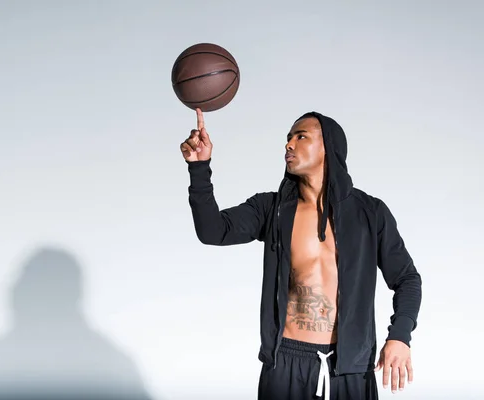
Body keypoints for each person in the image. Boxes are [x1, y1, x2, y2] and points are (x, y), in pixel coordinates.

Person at [180, 109, 422, 400]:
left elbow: (407, 279)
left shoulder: (370, 213)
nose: (289, 145)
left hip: (350, 369)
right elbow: (213, 231)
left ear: (327, 147)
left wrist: (400, 335)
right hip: (286, 364)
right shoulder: (272, 208)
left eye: (301, 136)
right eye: (288, 138)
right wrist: (199, 168)